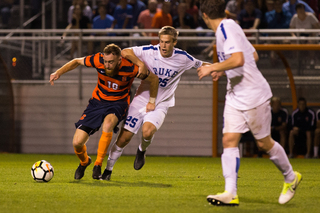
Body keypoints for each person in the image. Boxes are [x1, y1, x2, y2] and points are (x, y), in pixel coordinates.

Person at [198, 0, 301, 206]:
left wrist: (213, 67)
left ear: (204, 16)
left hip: (253, 95)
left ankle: (291, 177)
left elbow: (239, 59)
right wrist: (222, 69)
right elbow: (252, 54)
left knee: (264, 144)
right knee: (229, 141)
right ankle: (230, 193)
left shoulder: (226, 28)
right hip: (235, 95)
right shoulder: (228, 27)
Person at [101, 26, 210, 181]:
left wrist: (218, 68)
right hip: (141, 99)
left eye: (167, 42)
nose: (163, 46)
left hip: (161, 103)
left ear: (174, 42)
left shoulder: (183, 57)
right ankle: (108, 170)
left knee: (147, 132)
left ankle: (141, 151)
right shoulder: (149, 51)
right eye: (161, 41)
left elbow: (201, 64)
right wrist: (141, 63)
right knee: (124, 138)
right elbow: (125, 51)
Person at [49, 43, 159, 180]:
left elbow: (154, 79)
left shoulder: (130, 68)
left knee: (108, 125)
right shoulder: (98, 60)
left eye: (111, 62)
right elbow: (76, 61)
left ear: (119, 60)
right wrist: (58, 72)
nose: (107, 65)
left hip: (118, 104)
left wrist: (152, 101)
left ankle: (98, 165)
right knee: (77, 143)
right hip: (97, 103)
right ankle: (84, 162)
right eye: (105, 62)